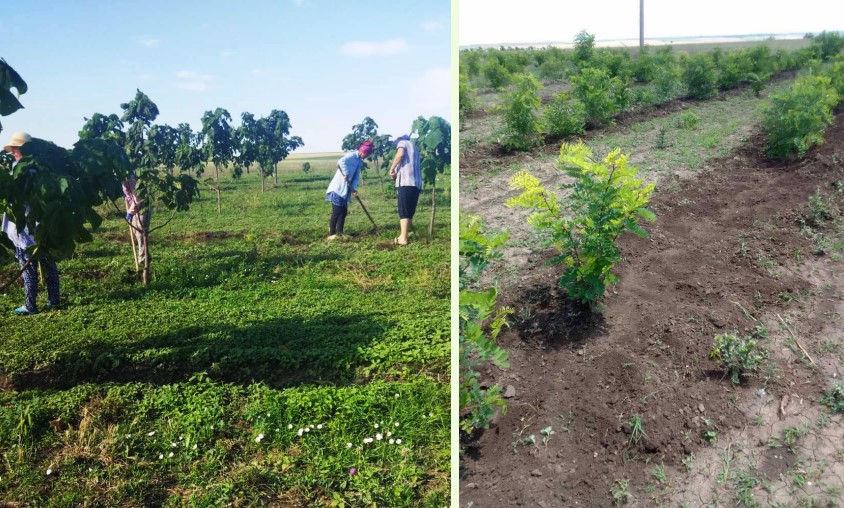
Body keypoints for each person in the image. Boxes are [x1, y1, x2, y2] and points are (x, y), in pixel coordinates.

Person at [0, 131, 61, 315]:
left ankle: (30, 305)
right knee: (48, 262)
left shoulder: (22, 169)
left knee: (28, 266)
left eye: (16, 148)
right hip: (42, 224)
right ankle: (54, 299)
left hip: (25, 227)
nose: (14, 152)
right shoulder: (40, 169)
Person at [325, 140, 372, 239]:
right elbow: (341, 162)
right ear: (362, 151)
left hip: (346, 190)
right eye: (366, 154)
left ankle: (340, 232)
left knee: (343, 211)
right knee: (337, 211)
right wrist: (346, 173)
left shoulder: (359, 161)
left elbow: (356, 177)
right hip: (338, 188)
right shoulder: (352, 155)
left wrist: (354, 189)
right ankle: (332, 234)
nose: (366, 156)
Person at [388, 134, 422, 245]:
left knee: (404, 211)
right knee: (410, 210)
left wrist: (392, 168)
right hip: (416, 183)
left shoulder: (402, 143)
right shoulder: (415, 147)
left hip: (406, 182)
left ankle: (403, 238)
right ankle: (406, 234)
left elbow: (400, 154)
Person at [122, 173, 148, 270]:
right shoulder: (122, 180)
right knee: (136, 232)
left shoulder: (131, 180)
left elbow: (138, 199)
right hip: (134, 207)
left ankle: (143, 259)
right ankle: (143, 257)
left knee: (141, 233)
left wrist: (130, 212)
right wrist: (126, 196)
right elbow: (129, 195)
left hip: (142, 208)